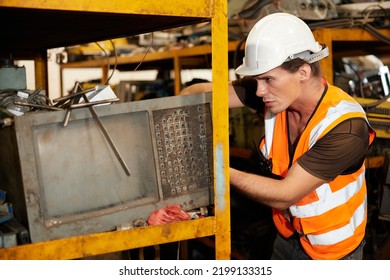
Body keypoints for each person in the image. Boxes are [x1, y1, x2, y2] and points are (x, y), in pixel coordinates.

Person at [180, 12, 376, 260]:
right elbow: (194, 94)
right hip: (286, 236)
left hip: (332, 252)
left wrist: (215, 169)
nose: (260, 91)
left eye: (268, 79)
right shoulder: (276, 95)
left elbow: (286, 195)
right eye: (257, 80)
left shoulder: (346, 128)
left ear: (303, 72)